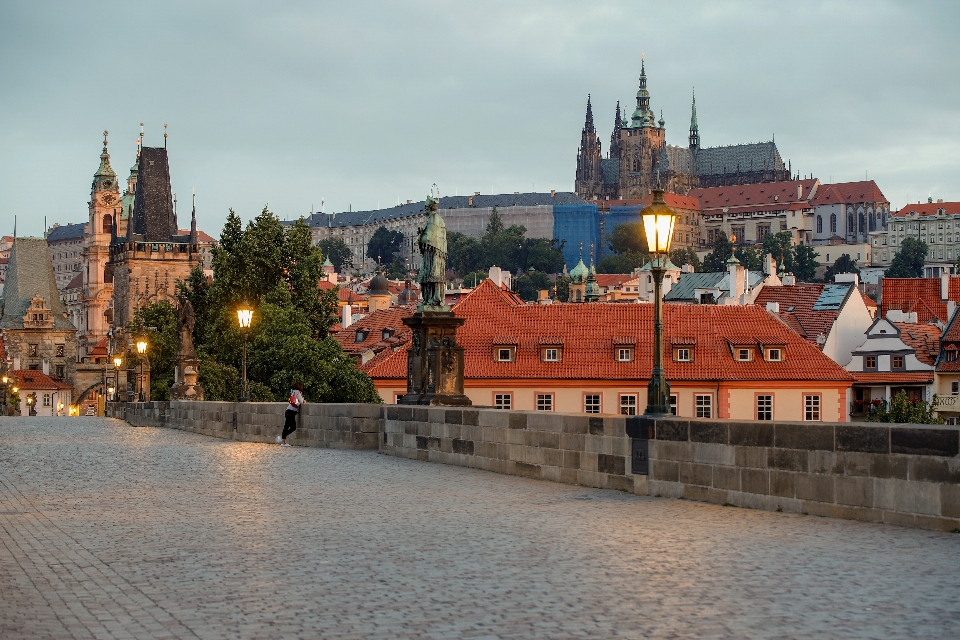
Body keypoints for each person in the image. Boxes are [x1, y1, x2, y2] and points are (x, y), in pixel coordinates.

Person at [278, 382, 304, 447]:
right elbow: (301, 401)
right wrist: (304, 400)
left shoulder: (292, 392)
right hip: (291, 412)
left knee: (286, 426)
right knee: (293, 427)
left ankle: (283, 441)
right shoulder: (298, 393)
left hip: (288, 410)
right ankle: (283, 438)